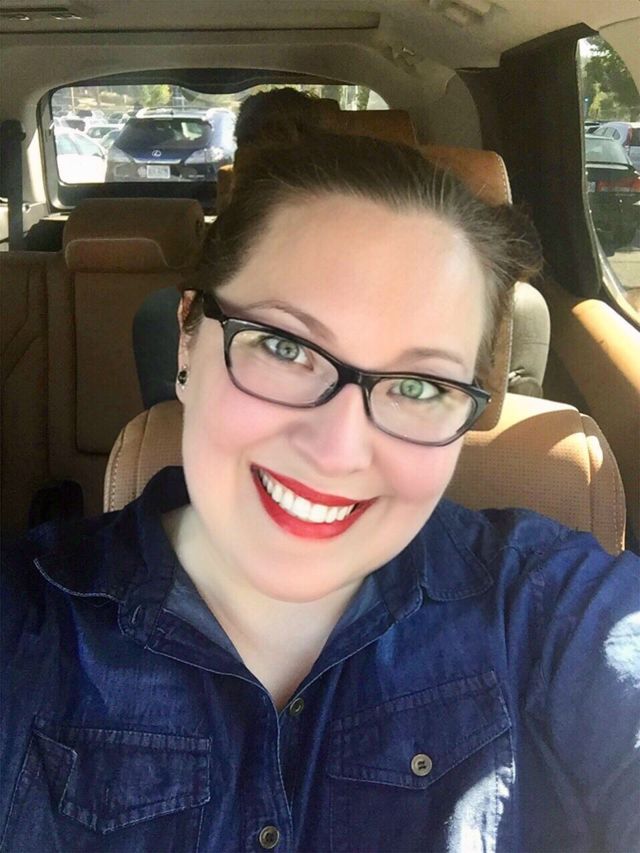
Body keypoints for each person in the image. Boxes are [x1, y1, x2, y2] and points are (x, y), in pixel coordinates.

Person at [1, 133, 638, 853]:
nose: (336, 451)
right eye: (285, 347)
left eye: (419, 386)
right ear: (187, 338)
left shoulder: (549, 614)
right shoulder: (23, 625)